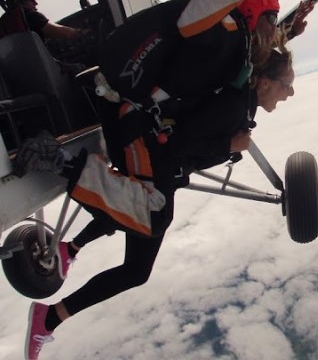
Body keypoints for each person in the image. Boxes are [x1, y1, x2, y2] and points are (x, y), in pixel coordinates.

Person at [23, 47, 296, 360]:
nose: (290, 92)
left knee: (137, 268)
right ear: (263, 82)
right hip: (145, 140)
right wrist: (228, 144)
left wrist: (290, 32)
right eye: (286, 84)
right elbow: (179, 143)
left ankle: (49, 316)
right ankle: (58, 160)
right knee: (153, 216)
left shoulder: (240, 104)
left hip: (158, 150)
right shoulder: (233, 107)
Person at [0, 0, 85, 41]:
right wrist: (81, 32)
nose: (36, 3)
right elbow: (65, 33)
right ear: (18, 2)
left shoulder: (3, 23)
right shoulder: (31, 16)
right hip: (40, 67)